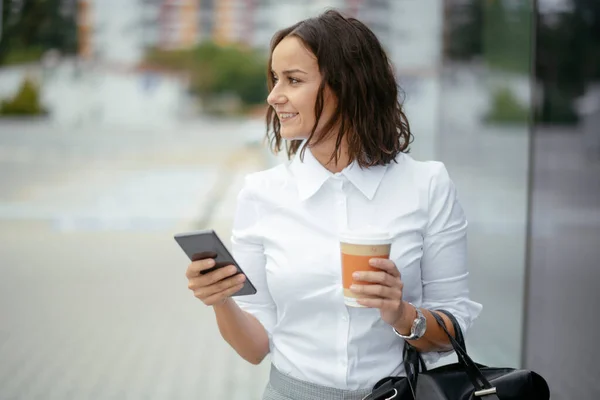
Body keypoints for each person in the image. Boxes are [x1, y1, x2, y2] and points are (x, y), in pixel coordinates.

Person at [185, 9, 482, 400]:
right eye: (275, 79)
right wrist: (221, 301)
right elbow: (255, 348)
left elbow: (452, 331)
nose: (274, 96)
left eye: (293, 80)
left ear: (347, 86)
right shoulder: (261, 194)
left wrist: (400, 314)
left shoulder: (427, 185)